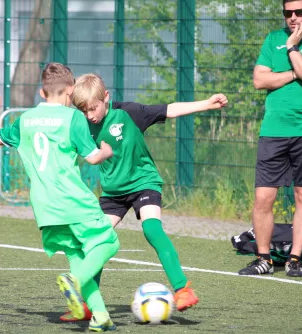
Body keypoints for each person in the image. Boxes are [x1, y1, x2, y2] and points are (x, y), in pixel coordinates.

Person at [67, 72, 228, 321]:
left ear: (105, 97)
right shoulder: (81, 124)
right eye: (83, 110)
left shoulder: (128, 113)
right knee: (96, 242)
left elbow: (169, 110)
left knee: (152, 229)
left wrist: (207, 103)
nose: (90, 115)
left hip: (143, 182)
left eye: (93, 108)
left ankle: (183, 289)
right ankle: (89, 305)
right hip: (112, 192)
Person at [0, 63, 120, 332]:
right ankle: (75, 281)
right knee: (109, 242)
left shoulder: (24, 119)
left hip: (44, 205)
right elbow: (92, 158)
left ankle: (101, 315)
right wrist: (105, 151)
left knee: (78, 254)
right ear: (70, 91)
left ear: (42, 93)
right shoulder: (73, 118)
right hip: (72, 199)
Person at [238, 0, 302, 277]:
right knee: (263, 198)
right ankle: (264, 258)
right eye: (287, 13)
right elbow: (259, 80)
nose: (293, 18)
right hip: (274, 129)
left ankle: (294, 259)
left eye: (299, 12)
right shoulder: (272, 40)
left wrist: (293, 48)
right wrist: (295, 72)